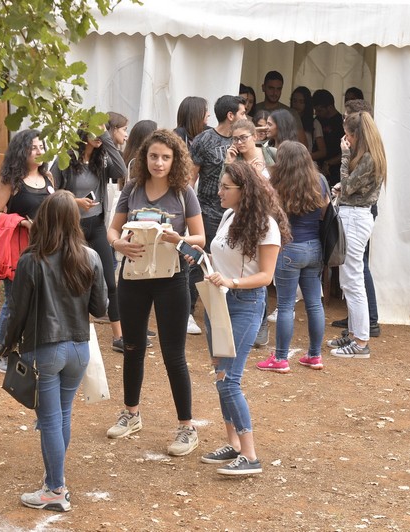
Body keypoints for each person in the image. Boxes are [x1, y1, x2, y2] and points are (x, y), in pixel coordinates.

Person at [3, 190, 107, 512]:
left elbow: (16, 311)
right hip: (79, 350)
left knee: (49, 420)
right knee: (61, 415)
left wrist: (7, 346)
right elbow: (100, 308)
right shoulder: (91, 257)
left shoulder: (31, 261)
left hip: (45, 350)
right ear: (75, 221)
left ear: (43, 220)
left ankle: (55, 489)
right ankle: (53, 477)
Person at [106, 129, 205, 456]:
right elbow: (113, 228)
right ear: (144, 158)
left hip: (171, 278)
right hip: (132, 277)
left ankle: (186, 427)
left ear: (175, 159)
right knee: (132, 347)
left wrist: (174, 239)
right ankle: (131, 414)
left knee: (173, 353)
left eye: (166, 157)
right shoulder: (132, 188)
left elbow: (200, 238)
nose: (159, 162)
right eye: (153, 156)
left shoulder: (183, 192)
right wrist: (117, 243)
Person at [193, 160, 286, 475]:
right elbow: (218, 256)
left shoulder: (266, 226)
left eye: (225, 187)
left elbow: (266, 276)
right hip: (218, 302)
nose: (218, 191)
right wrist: (188, 251)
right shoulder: (229, 215)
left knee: (230, 380)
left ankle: (250, 454)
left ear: (244, 191)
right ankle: (233, 444)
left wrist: (231, 282)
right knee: (221, 377)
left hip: (245, 303)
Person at [52, 130, 129, 352]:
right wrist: (75, 201)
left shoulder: (102, 158)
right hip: (72, 227)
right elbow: (52, 192)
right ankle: (73, 332)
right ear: (84, 133)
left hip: (96, 225)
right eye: (96, 131)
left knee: (109, 280)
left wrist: (106, 139)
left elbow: (122, 171)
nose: (101, 136)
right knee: (74, 280)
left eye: (104, 131)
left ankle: (118, 336)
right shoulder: (66, 157)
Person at [257, 141, 328, 373]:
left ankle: (280, 359)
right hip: (315, 247)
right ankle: (315, 355)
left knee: (286, 305)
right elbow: (325, 210)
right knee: (314, 303)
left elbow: (268, 214)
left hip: (288, 248)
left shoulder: (276, 184)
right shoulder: (320, 180)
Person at [0, 129, 54, 372]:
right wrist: (22, 222)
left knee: (40, 302)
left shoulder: (48, 178)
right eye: (34, 147)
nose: (39, 152)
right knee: (14, 303)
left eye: (41, 147)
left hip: (45, 249)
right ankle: (3, 351)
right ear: (22, 151)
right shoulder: (9, 181)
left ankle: (31, 350)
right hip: (17, 252)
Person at [326, 112, 386, 358]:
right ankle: (354, 335)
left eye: (349, 135)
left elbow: (349, 185)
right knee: (349, 277)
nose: (346, 139)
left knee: (352, 279)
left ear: (356, 135)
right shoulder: (371, 155)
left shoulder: (369, 157)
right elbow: (351, 186)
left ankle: (361, 341)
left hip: (356, 216)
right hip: (355, 214)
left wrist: (344, 156)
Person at [188, 95, 247, 335]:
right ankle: (188, 314)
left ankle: (229, 316)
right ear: (230, 115)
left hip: (237, 214)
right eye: (242, 113)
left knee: (233, 264)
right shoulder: (204, 139)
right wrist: (188, 211)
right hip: (207, 212)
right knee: (199, 262)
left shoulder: (243, 141)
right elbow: (191, 176)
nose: (245, 117)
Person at [252, 71, 307, 146]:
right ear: (263, 87)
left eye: (278, 89)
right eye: (271, 88)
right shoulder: (253, 109)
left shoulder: (291, 113)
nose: (275, 93)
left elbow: (302, 144)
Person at [312, 89, 344, 187]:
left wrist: (329, 163)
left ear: (330, 107)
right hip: (316, 170)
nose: (317, 113)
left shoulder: (342, 123)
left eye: (320, 110)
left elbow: (346, 151)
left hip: (335, 172)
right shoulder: (316, 121)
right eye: (315, 110)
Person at [291, 86, 326, 160]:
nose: (297, 105)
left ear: (306, 104)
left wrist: (305, 157)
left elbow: (322, 152)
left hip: (304, 163)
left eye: (301, 102)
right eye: (294, 101)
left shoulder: (314, 123)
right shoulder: (286, 120)